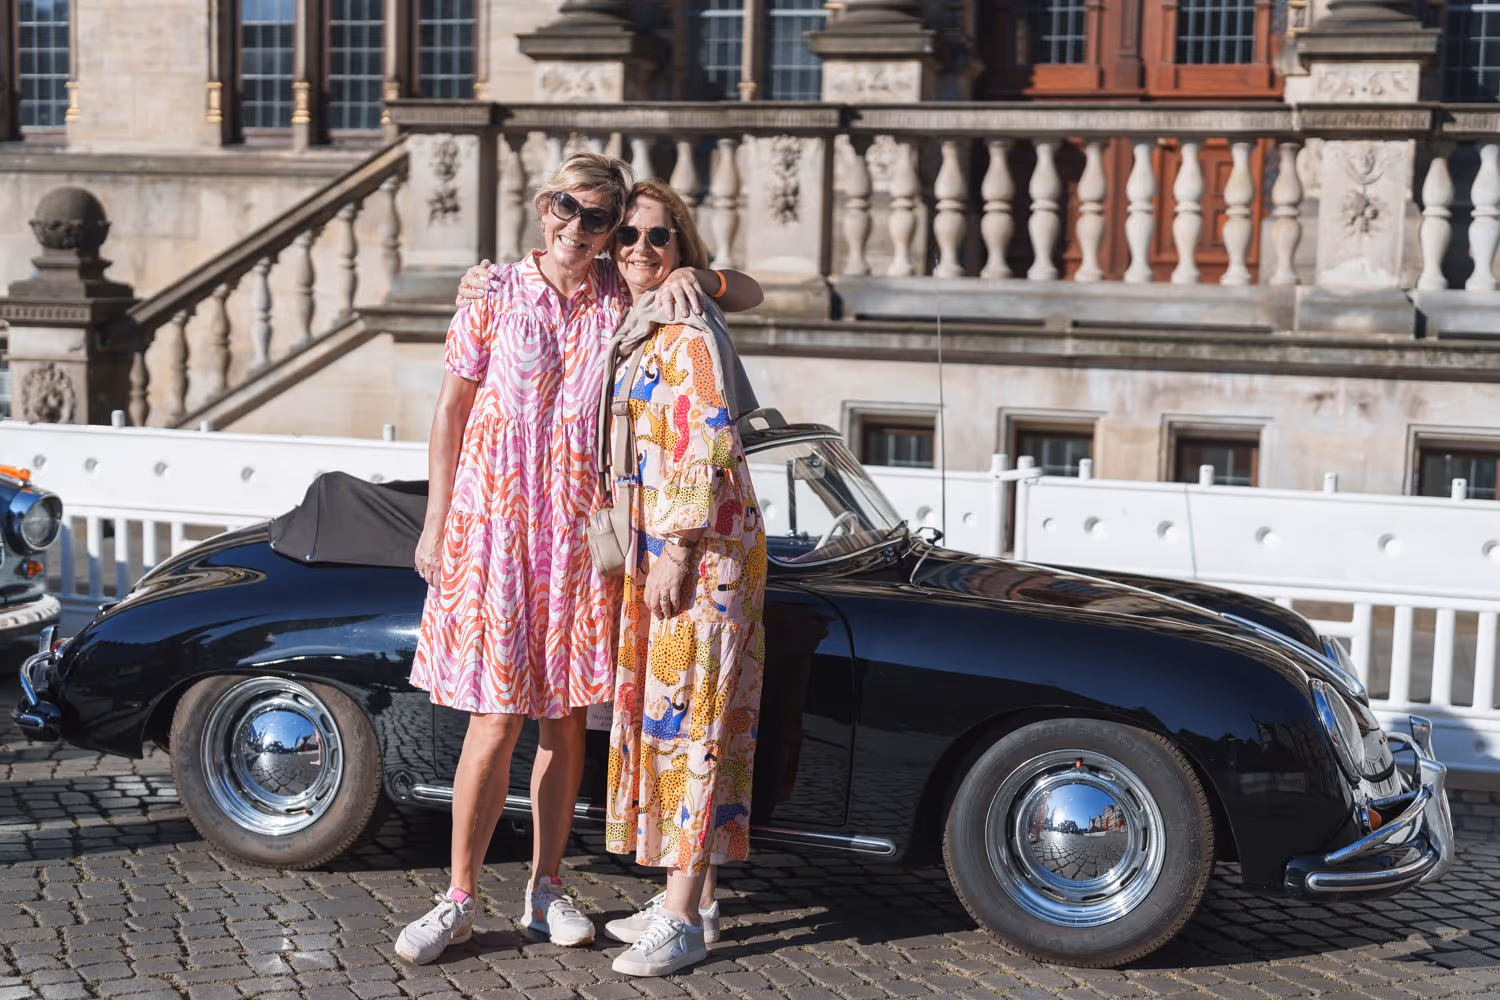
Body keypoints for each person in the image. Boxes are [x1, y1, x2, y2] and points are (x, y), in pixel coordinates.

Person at [395, 153, 762, 966]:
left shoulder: (621, 295)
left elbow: (746, 292)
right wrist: (436, 521)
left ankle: (545, 888)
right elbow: (450, 413)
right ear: (542, 205)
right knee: (495, 718)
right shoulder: (492, 292)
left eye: (599, 218)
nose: (580, 227)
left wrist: (697, 276)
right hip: (495, 530)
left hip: (579, 539)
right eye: (568, 207)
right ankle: (457, 898)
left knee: (564, 718)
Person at [594, 180, 769, 978]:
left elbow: (707, 442)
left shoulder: (686, 325)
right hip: (670, 543)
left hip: (699, 551)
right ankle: (692, 900)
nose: (639, 247)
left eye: (657, 237)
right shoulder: (641, 323)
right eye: (627, 234)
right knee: (679, 722)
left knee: (696, 726)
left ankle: (681, 919)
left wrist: (675, 549)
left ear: (680, 247)